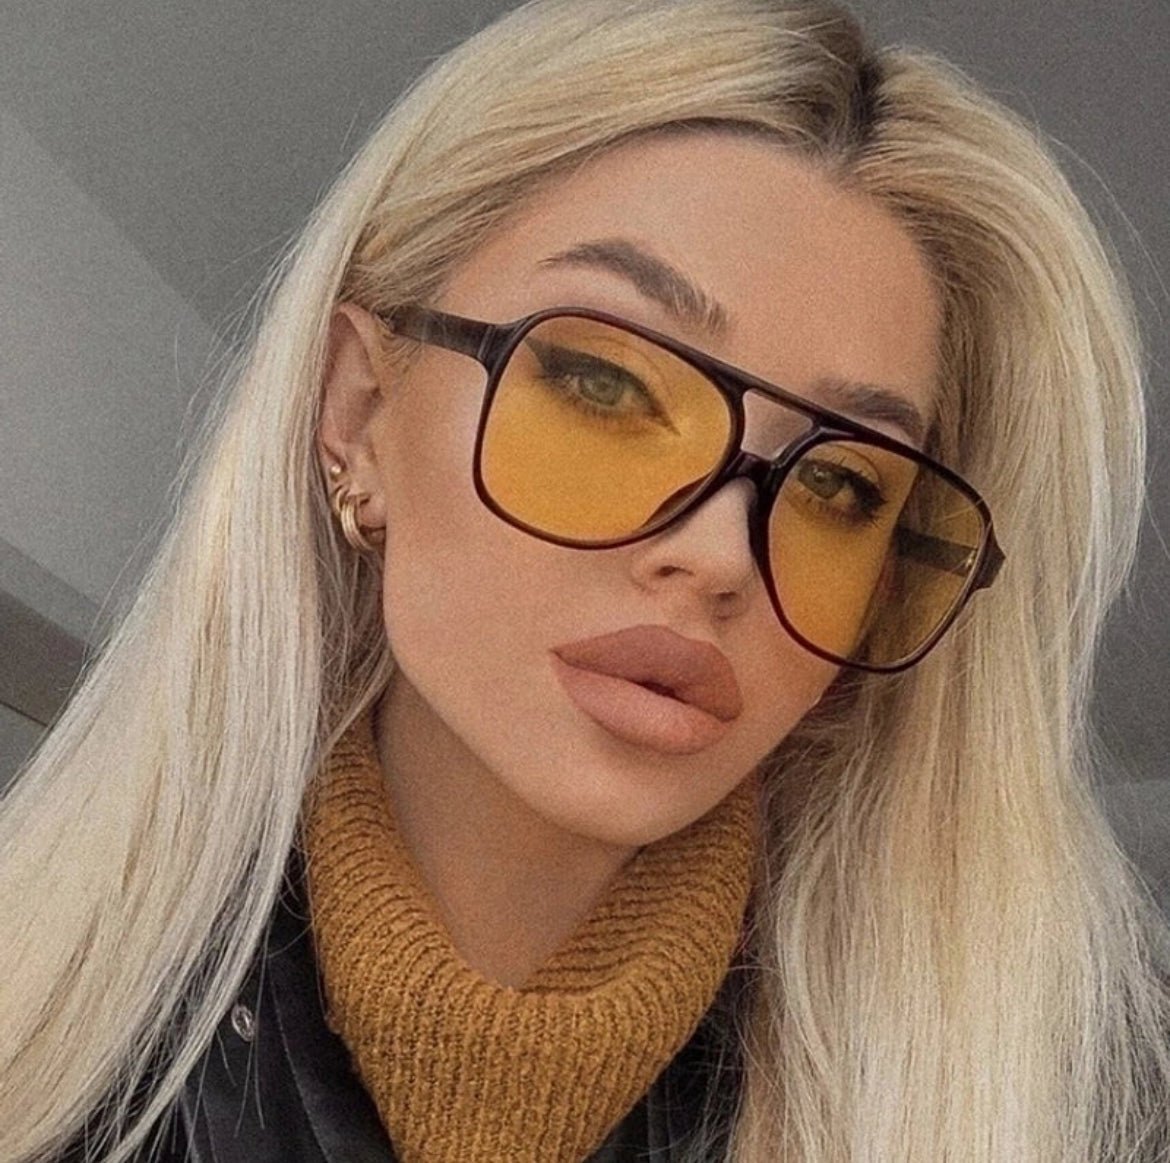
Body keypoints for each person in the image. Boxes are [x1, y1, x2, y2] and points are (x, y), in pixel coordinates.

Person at [3, 0, 1168, 1159]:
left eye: (841, 484)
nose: (718, 554)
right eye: (606, 385)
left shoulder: (1067, 1118)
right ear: (359, 412)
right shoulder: (42, 1056)